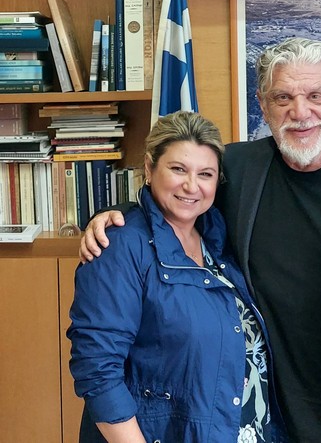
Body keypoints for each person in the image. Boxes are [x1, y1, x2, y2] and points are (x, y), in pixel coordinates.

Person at [80, 38, 321, 443]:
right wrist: (115, 216)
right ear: (263, 104)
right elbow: (176, 195)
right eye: (283, 97)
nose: (300, 112)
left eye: (315, 96)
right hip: (269, 414)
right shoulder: (237, 167)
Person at [69, 111, 284, 443]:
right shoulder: (119, 246)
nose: (191, 186)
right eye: (178, 169)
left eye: (205, 174)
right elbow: (97, 371)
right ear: (149, 168)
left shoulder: (218, 239)